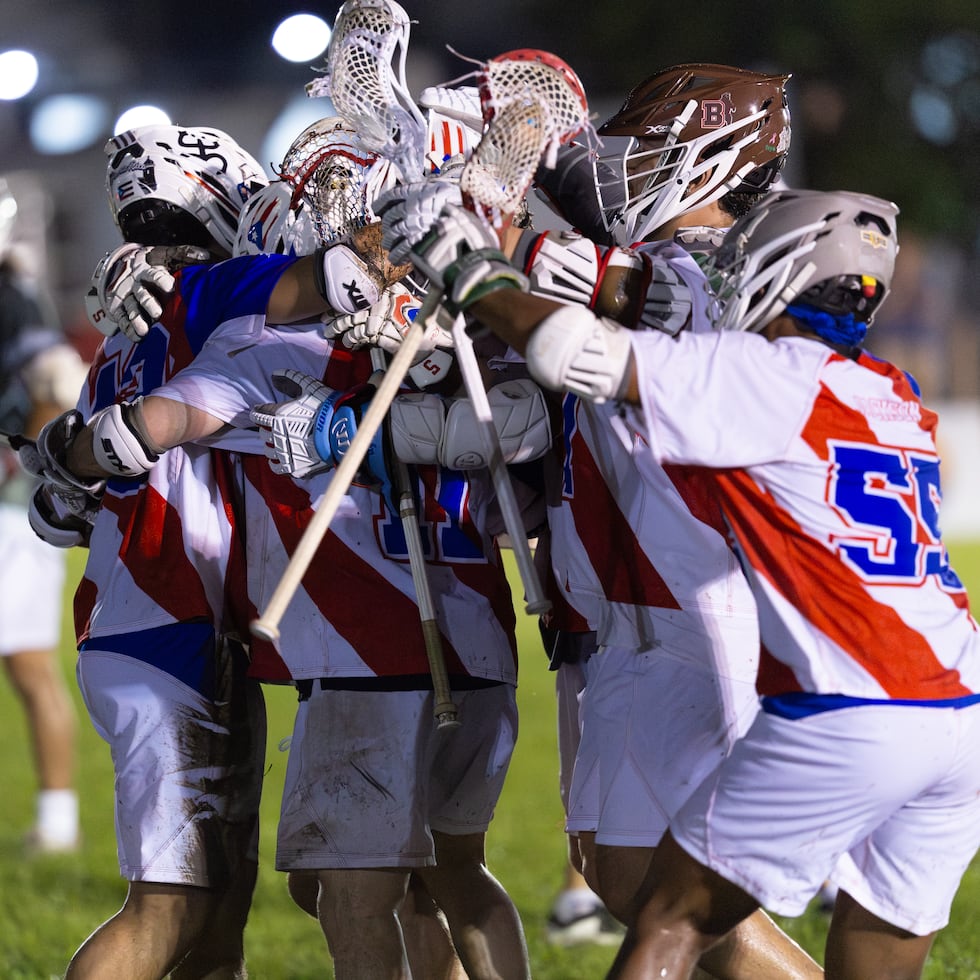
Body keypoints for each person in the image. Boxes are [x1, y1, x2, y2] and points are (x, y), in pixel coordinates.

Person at [416, 186, 980, 980]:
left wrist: (474, 275)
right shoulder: (892, 393)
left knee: (669, 922)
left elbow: (577, 351)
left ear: (778, 270)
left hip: (853, 702)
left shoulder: (766, 371)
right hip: (960, 712)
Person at [43, 117, 538, 980]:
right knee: (400, 878)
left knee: (262, 895)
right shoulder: (451, 349)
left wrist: (57, 446)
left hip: (283, 644)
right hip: (455, 639)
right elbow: (522, 466)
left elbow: (85, 484)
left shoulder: (183, 338)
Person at [380, 62, 820, 977]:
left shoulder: (710, 273)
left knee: (650, 885)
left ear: (704, 158)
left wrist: (496, 215)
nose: (620, 165)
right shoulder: (644, 273)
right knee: (621, 872)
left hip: (680, 608)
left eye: (647, 147)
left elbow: (651, 297)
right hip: (620, 614)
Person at [28, 124, 279, 980]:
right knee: (167, 911)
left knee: (225, 892)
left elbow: (66, 508)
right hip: (167, 623)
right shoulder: (214, 295)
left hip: (178, 622)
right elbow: (333, 280)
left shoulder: (130, 333)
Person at [0, 175, 86, 855]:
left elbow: (57, 379)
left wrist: (20, 464)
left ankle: (57, 821)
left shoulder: (11, 299)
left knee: (28, 665)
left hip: (6, 518)